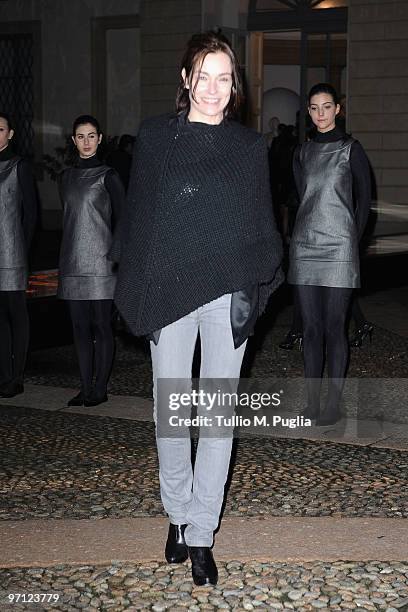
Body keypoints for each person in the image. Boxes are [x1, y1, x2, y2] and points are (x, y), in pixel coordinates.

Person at [111, 31, 282, 586]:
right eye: (203, 75)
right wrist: (136, 283)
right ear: (186, 79)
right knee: (171, 417)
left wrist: (251, 292)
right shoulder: (157, 138)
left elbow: (261, 228)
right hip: (167, 294)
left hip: (226, 296)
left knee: (215, 421)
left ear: (235, 86)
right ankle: (178, 514)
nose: (213, 88)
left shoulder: (249, 148)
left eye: (224, 77)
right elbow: (140, 222)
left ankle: (202, 532)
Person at [288, 83, 371, 426]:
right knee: (311, 328)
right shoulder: (302, 152)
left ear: (338, 108)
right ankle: (311, 403)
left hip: (340, 247)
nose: (320, 113)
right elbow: (301, 197)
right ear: (308, 111)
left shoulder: (351, 149)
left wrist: (354, 241)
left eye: (326, 107)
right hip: (305, 246)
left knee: (336, 327)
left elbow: (364, 200)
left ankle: (333, 404)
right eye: (314, 108)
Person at [57, 115, 125, 407]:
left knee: (101, 325)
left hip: (101, 264)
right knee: (79, 328)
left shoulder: (108, 176)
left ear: (100, 138)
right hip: (72, 262)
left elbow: (124, 219)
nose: (86, 142)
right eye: (80, 137)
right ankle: (85, 387)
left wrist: (118, 258)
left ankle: (100, 388)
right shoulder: (66, 177)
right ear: (74, 141)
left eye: (91, 136)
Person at [0, 113, 37, 398]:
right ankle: (3, 374)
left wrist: (23, 248)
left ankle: (17, 376)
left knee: (16, 315)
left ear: (10, 133)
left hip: (12, 253)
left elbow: (31, 213)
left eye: (0, 130)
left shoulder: (19, 166)